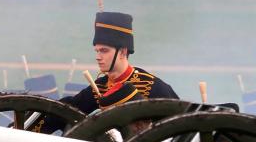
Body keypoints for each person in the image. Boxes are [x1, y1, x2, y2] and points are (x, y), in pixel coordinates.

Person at [46, 11, 177, 132]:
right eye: (97, 51)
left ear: (122, 52)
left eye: (104, 50)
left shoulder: (154, 87)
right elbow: (67, 112)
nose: (98, 56)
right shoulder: (100, 86)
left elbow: (180, 125)